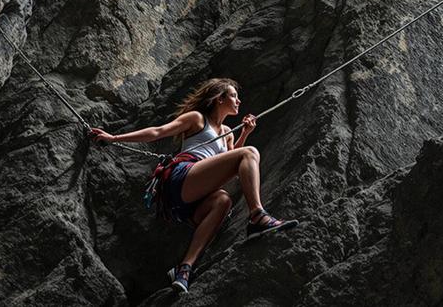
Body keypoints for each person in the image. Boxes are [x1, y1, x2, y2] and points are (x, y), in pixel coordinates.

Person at [89, 78, 297, 293]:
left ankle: (184, 268)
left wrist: (244, 134)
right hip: (182, 176)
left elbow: (233, 167)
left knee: (223, 200)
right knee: (250, 152)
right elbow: (158, 132)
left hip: (191, 200)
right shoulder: (197, 119)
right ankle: (257, 216)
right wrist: (114, 138)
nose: (239, 100)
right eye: (233, 95)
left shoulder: (227, 132)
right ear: (219, 99)